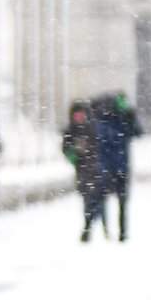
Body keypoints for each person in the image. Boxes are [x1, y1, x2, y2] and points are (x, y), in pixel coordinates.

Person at [93, 92, 132, 241]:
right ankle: (107, 230)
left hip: (117, 168)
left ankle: (121, 232)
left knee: (121, 203)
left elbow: (137, 132)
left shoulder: (124, 120)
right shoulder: (104, 121)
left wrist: (129, 116)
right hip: (110, 168)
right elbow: (103, 142)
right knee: (104, 201)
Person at [63, 101, 104, 242]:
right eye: (77, 114)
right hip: (81, 170)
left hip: (96, 169)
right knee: (87, 198)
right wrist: (74, 155)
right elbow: (66, 148)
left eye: (81, 114)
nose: (79, 117)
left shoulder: (92, 128)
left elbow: (100, 146)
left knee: (96, 198)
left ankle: (92, 221)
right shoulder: (70, 130)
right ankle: (88, 224)